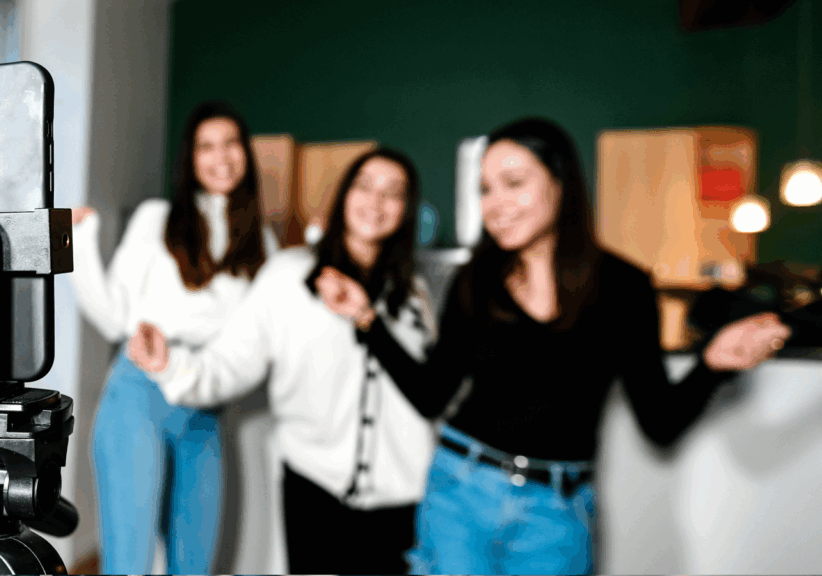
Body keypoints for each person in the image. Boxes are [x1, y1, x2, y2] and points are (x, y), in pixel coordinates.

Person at [314, 117, 792, 575]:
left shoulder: (623, 287)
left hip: (556, 514)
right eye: (485, 189)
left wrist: (713, 365)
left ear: (560, 183)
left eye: (513, 183)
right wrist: (366, 318)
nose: (495, 204)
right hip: (459, 492)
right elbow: (429, 394)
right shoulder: (476, 279)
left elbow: (660, 423)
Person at [130, 148, 438, 574]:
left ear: (406, 210)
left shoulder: (415, 294)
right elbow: (231, 362)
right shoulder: (288, 275)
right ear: (344, 195)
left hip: (401, 500)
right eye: (364, 186)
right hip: (314, 487)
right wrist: (170, 365)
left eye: (393, 193)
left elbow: (428, 391)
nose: (376, 201)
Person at [70, 101, 277, 574]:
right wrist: (80, 242)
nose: (220, 157)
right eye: (207, 146)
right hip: (138, 392)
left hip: (206, 409)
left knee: (195, 564)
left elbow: (256, 342)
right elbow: (113, 317)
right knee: (129, 562)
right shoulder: (156, 218)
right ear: (191, 158)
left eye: (231, 144)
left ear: (246, 153)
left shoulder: (262, 244)